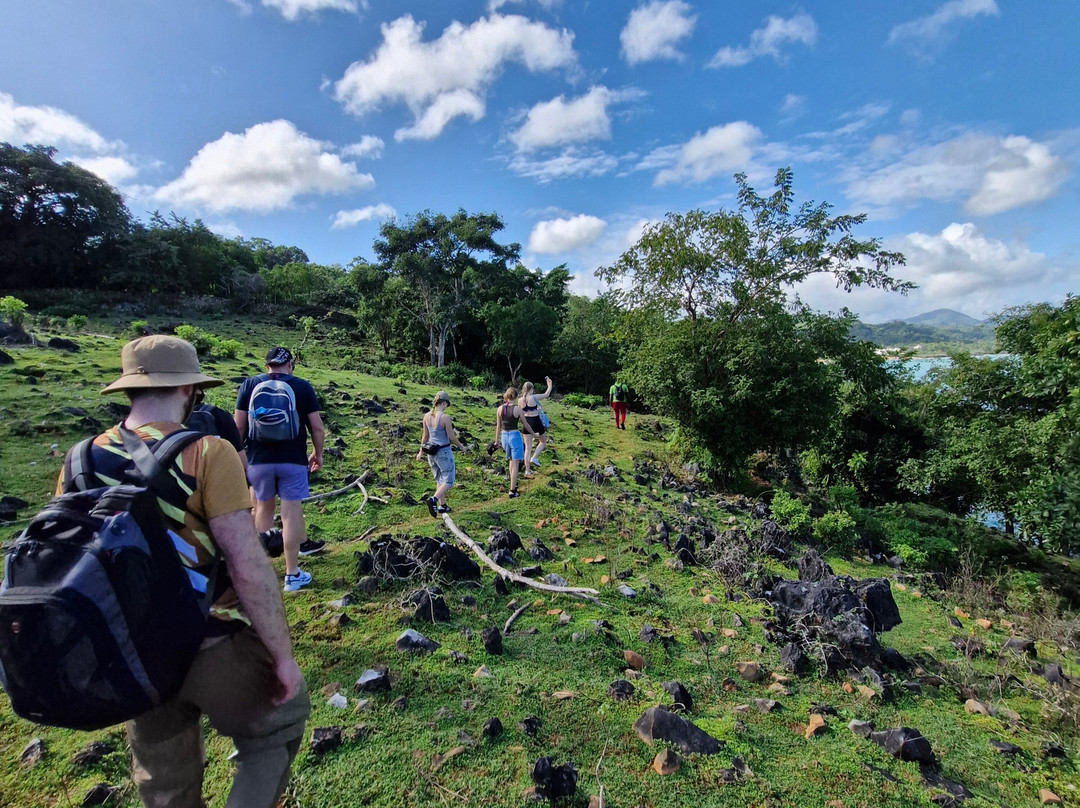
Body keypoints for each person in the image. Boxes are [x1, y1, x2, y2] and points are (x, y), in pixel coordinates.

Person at [55, 334, 309, 808]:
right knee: (281, 724)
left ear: (129, 389)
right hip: (210, 636)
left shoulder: (80, 459)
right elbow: (247, 563)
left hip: (131, 649)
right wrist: (282, 656)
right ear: (190, 390)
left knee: (163, 782)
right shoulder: (206, 452)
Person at [235, 347, 325, 593]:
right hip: (292, 460)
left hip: (258, 460)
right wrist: (318, 454)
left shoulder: (249, 384)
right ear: (290, 364)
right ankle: (292, 575)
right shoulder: (302, 386)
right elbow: (317, 427)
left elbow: (238, 428)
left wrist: (239, 459)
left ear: (267, 365)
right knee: (290, 513)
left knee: (262, 509)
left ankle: (258, 574)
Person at [416, 390, 464, 517]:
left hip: (431, 452)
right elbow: (451, 437)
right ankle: (434, 500)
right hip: (443, 451)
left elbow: (425, 436)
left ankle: (442, 506)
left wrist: (420, 451)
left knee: (439, 479)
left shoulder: (426, 416)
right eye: (447, 404)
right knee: (448, 480)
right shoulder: (445, 418)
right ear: (443, 403)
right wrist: (461, 446)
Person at [495, 387, 537, 499]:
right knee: (515, 463)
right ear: (515, 396)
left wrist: (496, 441)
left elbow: (498, 427)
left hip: (504, 437)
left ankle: (513, 484)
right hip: (514, 436)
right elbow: (526, 425)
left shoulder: (499, 409)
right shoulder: (517, 409)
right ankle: (512, 490)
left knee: (510, 461)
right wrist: (534, 433)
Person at [518, 376, 553, 475]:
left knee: (528, 448)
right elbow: (547, 394)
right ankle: (534, 457)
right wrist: (549, 384)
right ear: (531, 389)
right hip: (535, 421)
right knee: (542, 442)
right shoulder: (533, 397)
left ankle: (527, 470)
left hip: (526, 422)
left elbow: (521, 412)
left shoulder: (520, 400)